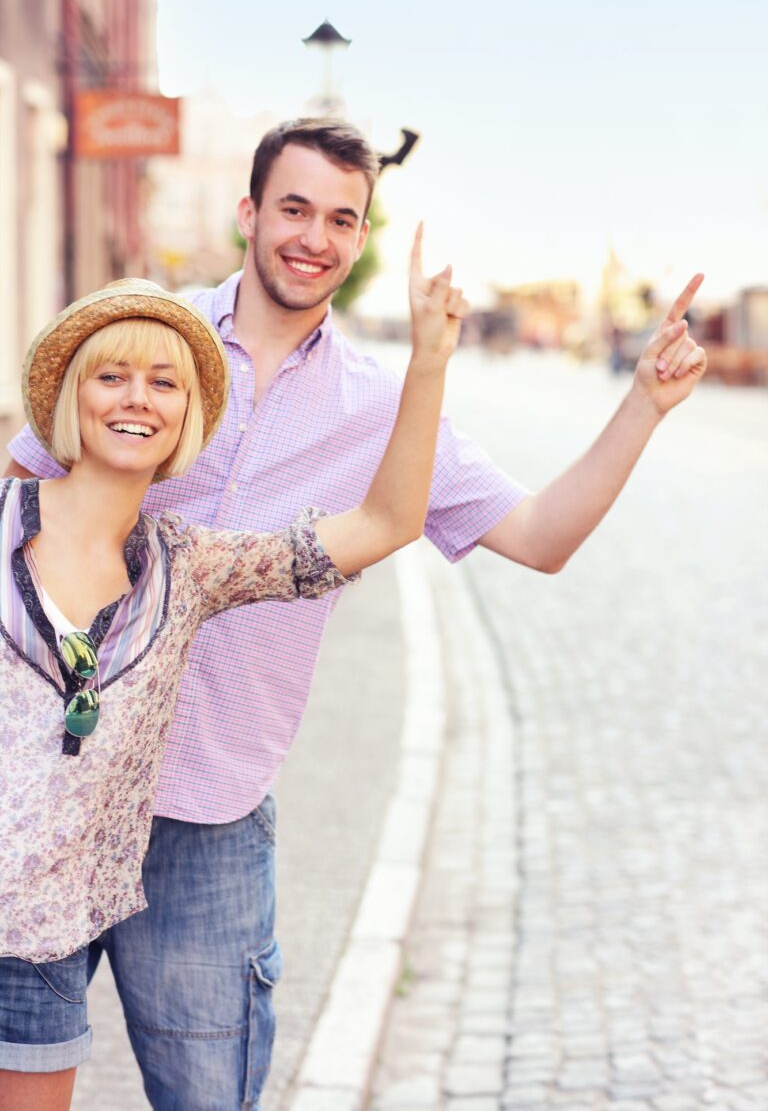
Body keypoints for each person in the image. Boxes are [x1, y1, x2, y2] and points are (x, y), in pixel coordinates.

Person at [6, 117, 707, 1111]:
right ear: (248, 213)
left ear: (361, 236)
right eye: (294, 207)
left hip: (206, 817)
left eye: (344, 219)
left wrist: (643, 404)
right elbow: (23, 510)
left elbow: (542, 537)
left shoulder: (386, 408)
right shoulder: (147, 352)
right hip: (48, 795)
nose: (315, 236)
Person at [0, 242, 467, 1111]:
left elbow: (389, 519)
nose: (138, 397)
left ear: (186, 419)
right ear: (72, 398)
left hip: (36, 940)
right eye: (113, 376)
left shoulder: (192, 569)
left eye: (166, 383)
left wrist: (430, 358)